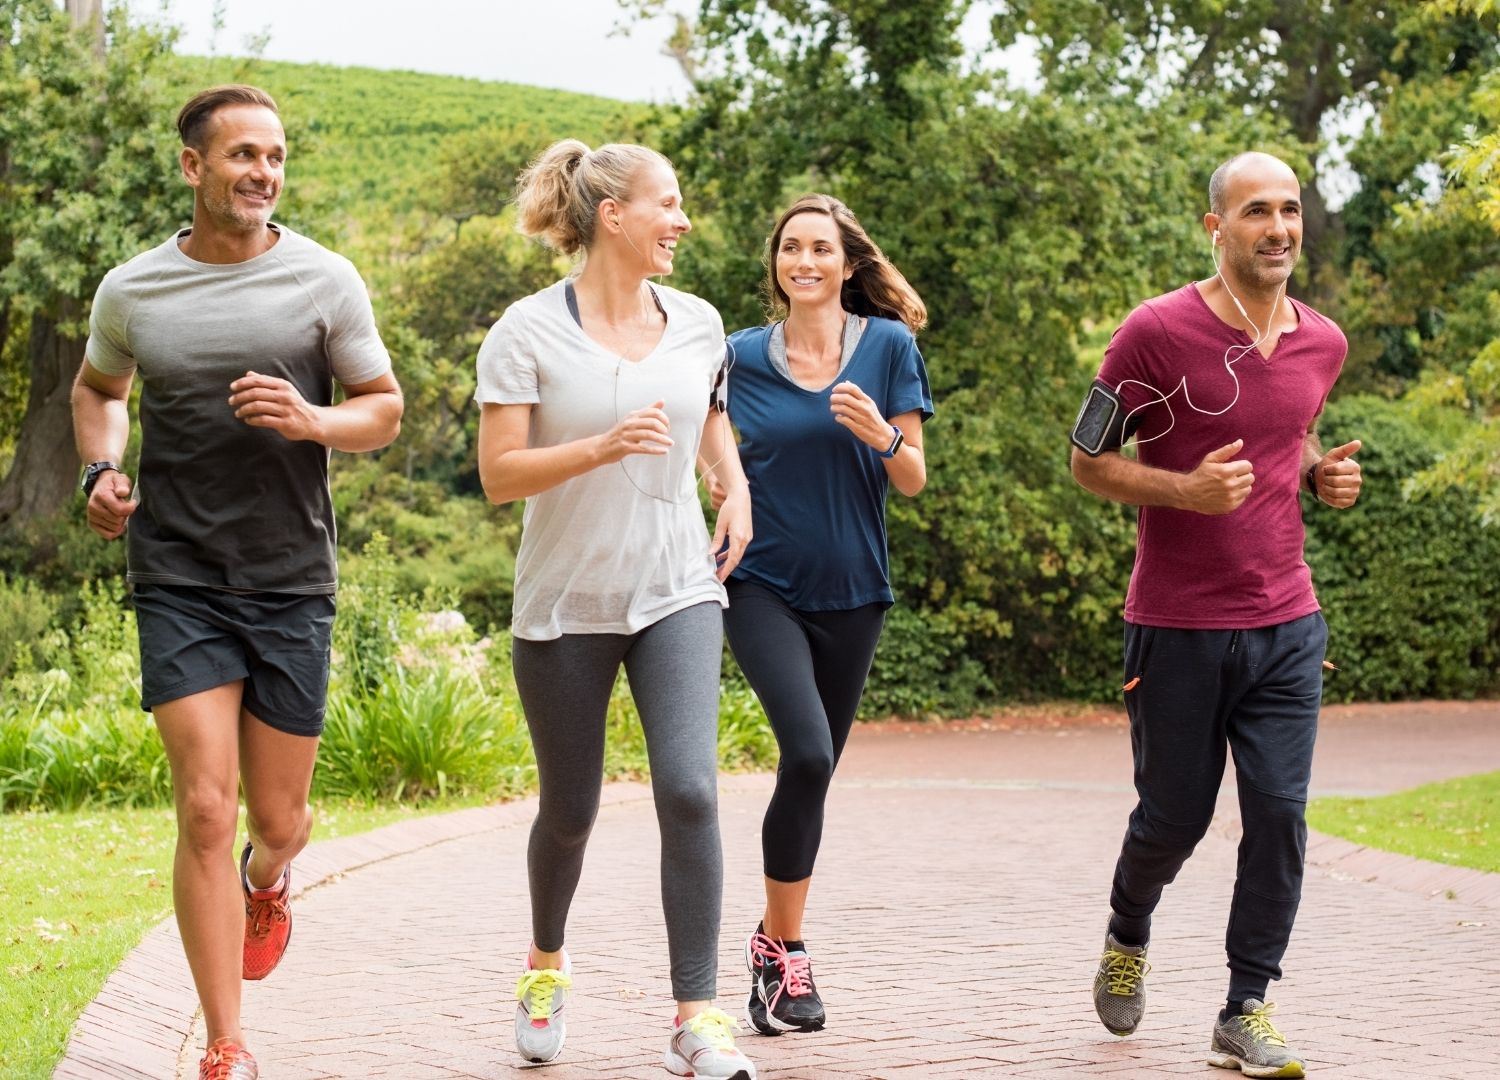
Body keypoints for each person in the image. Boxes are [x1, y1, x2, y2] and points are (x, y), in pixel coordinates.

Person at [72, 85, 403, 1080]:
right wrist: (100, 470)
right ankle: (226, 1044)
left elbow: (382, 408)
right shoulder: (134, 290)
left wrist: (311, 419)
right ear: (193, 166)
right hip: (177, 570)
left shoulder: (324, 280)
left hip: (291, 575)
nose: (263, 172)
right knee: (206, 810)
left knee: (276, 821)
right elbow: (99, 389)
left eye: (275, 156)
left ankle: (271, 877)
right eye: (243, 155)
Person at [1069, 151, 1363, 1079]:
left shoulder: (1324, 342)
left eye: (1290, 210)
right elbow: (1086, 460)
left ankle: (1245, 1006)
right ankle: (1128, 929)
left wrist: (1318, 474)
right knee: (1173, 819)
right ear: (1216, 227)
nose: (1279, 228)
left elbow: (1292, 433)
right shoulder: (1153, 332)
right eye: (1256, 212)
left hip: (1287, 620)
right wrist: (1183, 491)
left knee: (1279, 814)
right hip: (1177, 624)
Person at [474, 139, 757, 1080]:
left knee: (690, 790)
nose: (682, 220)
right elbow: (499, 474)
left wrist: (734, 487)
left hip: (677, 587)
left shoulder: (699, 321)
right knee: (569, 811)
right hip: (565, 603)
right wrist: (598, 447)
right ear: (613, 216)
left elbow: (710, 417)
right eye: (667, 204)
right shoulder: (526, 332)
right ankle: (545, 963)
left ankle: (697, 1016)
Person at [716, 194, 932, 1037]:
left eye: (820, 248)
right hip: (758, 582)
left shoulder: (888, 347)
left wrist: (882, 434)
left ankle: (771, 946)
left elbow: (913, 478)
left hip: (855, 590)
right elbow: (708, 441)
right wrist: (724, 483)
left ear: (847, 263)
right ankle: (791, 950)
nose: (803, 261)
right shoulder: (739, 355)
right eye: (790, 248)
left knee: (814, 772)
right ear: (777, 263)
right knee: (806, 750)